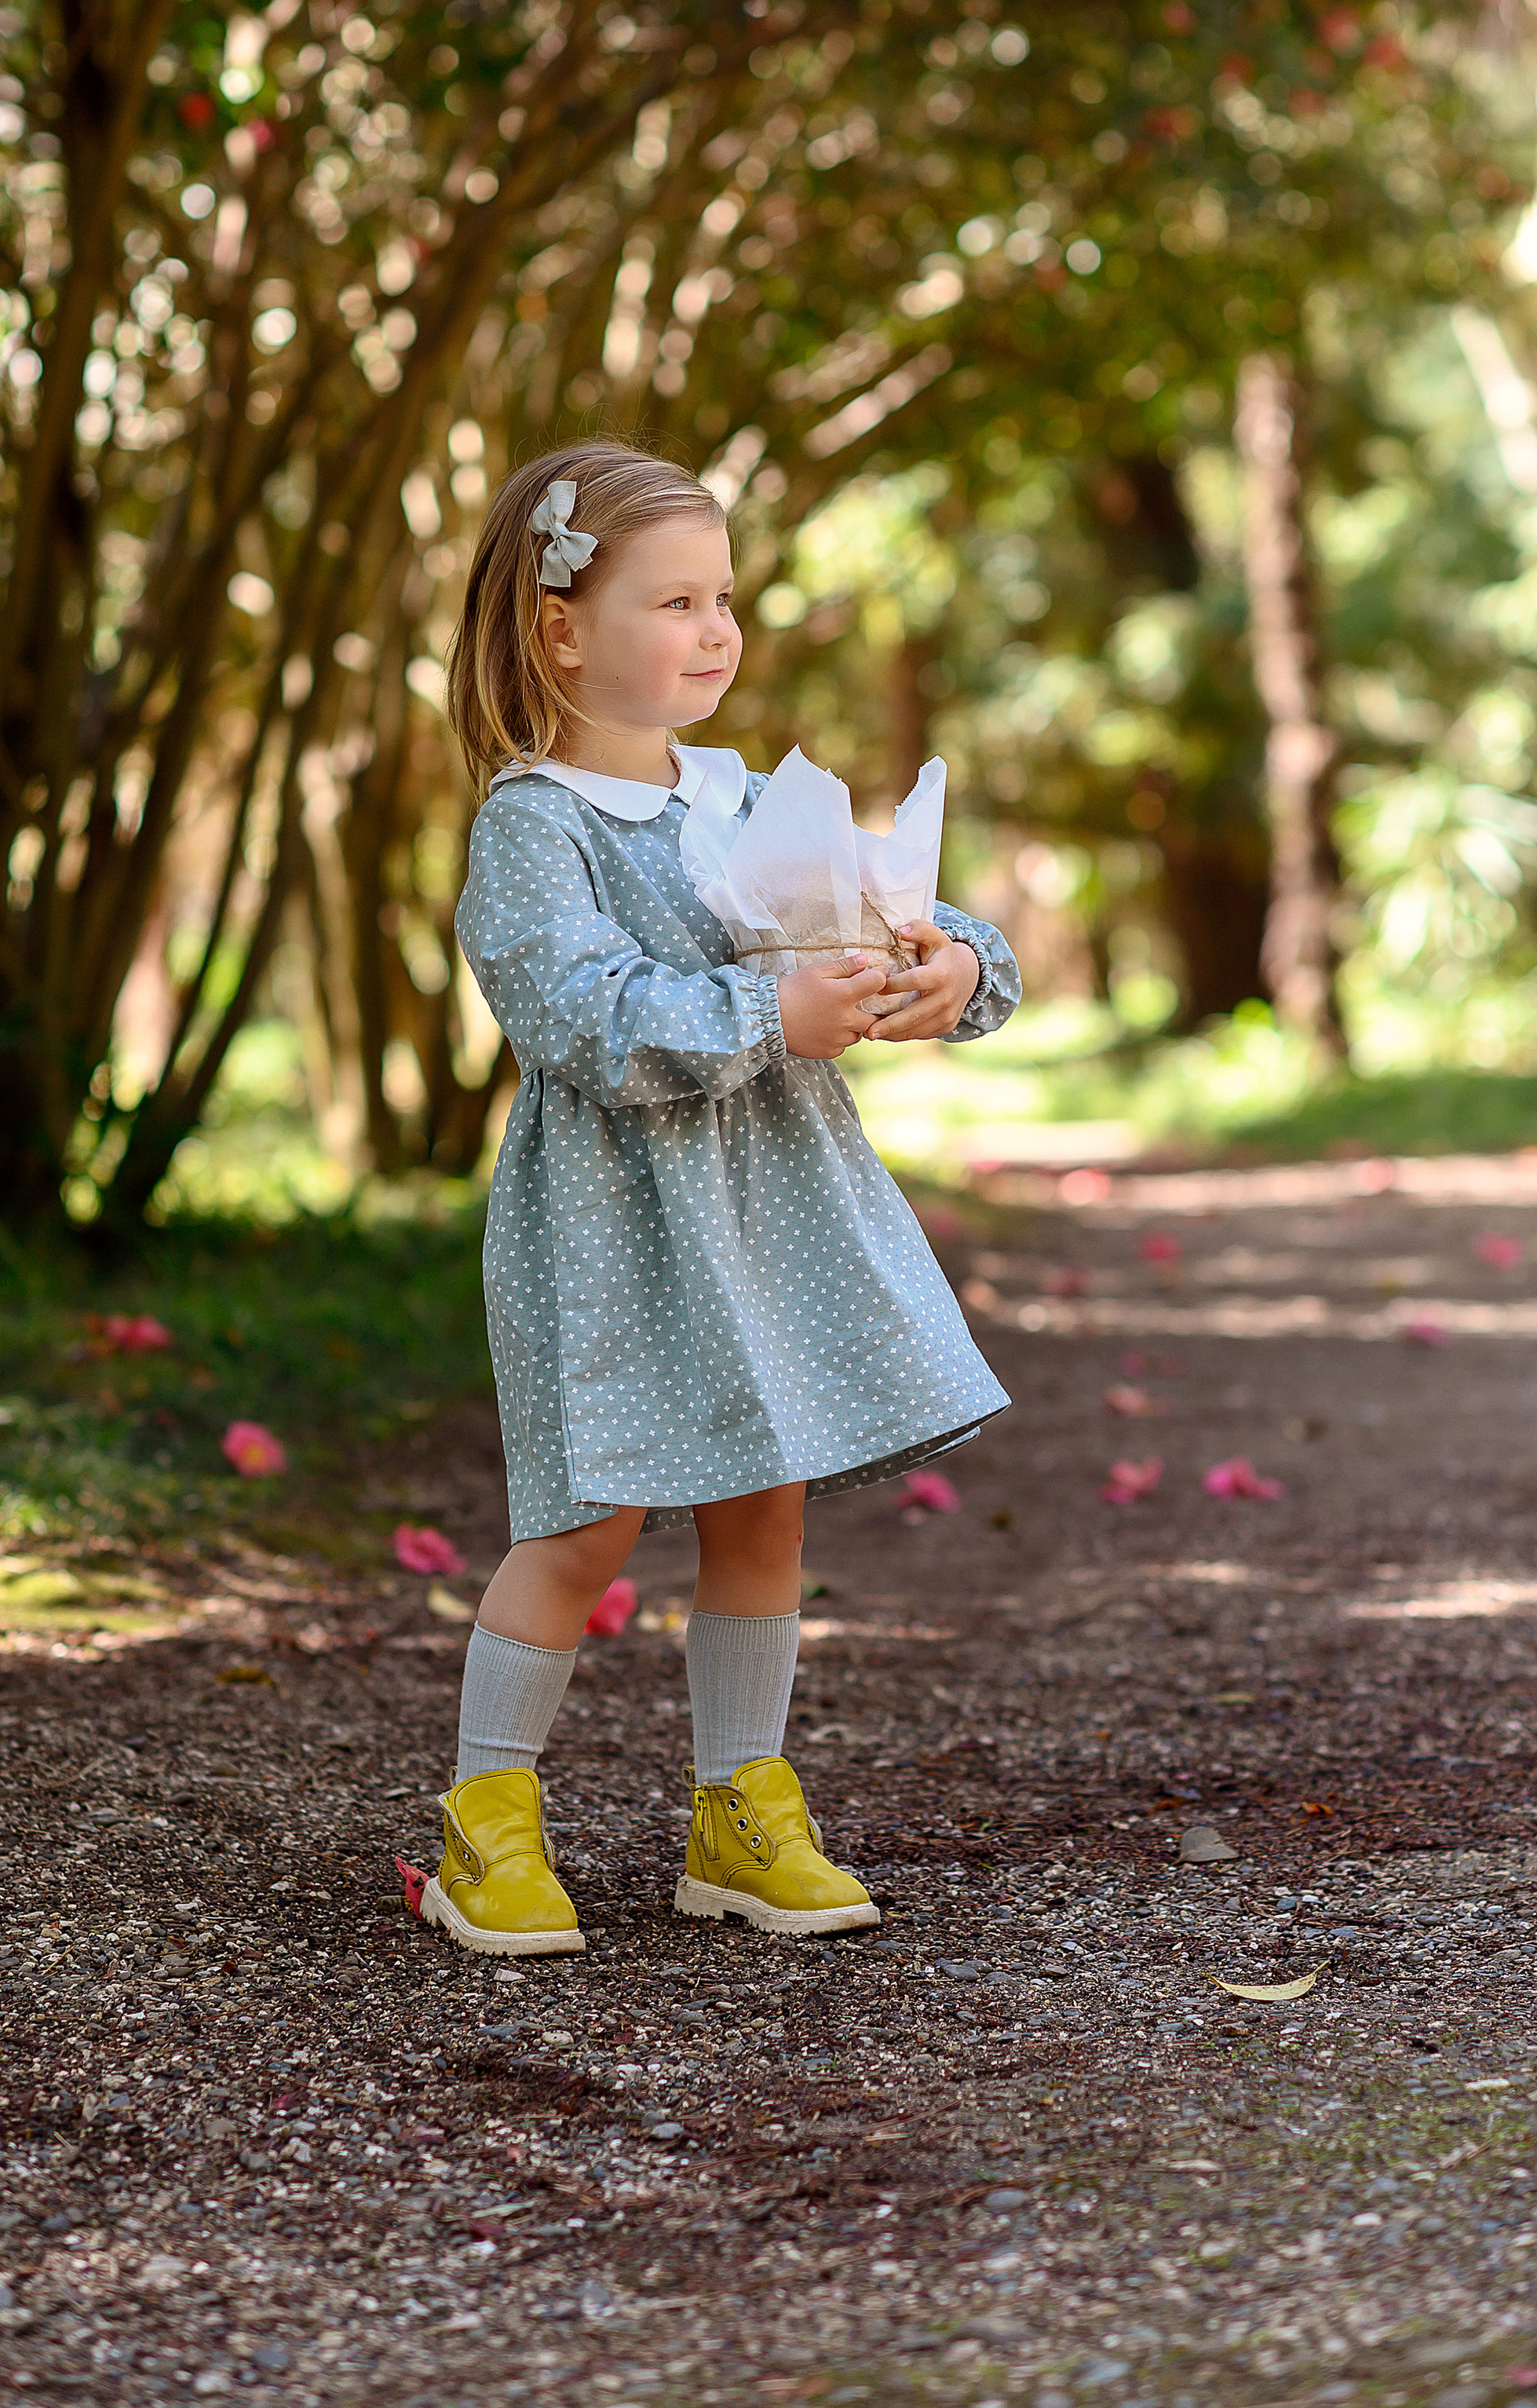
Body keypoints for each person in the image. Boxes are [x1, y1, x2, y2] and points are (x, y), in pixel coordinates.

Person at [408, 438, 1020, 1957]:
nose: (718, 630)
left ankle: (739, 1803)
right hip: (617, 1216)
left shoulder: (744, 795)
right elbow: (577, 1014)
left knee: (766, 1500)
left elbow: (874, 900)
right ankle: (489, 1817)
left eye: (724, 598)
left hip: (772, 1200)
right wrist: (770, 1019)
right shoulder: (532, 825)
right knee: (592, 1517)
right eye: (676, 600)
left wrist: (946, 961)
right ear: (561, 628)